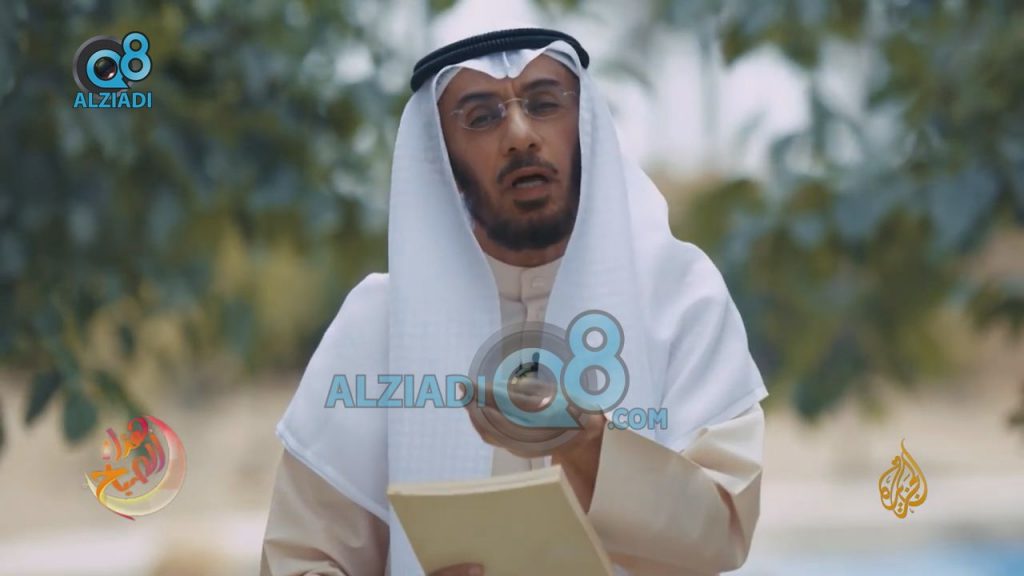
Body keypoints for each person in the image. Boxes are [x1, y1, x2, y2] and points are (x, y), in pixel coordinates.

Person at [260, 28, 768, 576]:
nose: (520, 135)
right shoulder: (377, 323)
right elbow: (301, 560)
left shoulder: (680, 297)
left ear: (583, 125)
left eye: (544, 104)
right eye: (481, 117)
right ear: (442, 157)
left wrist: (591, 447)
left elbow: (723, 533)